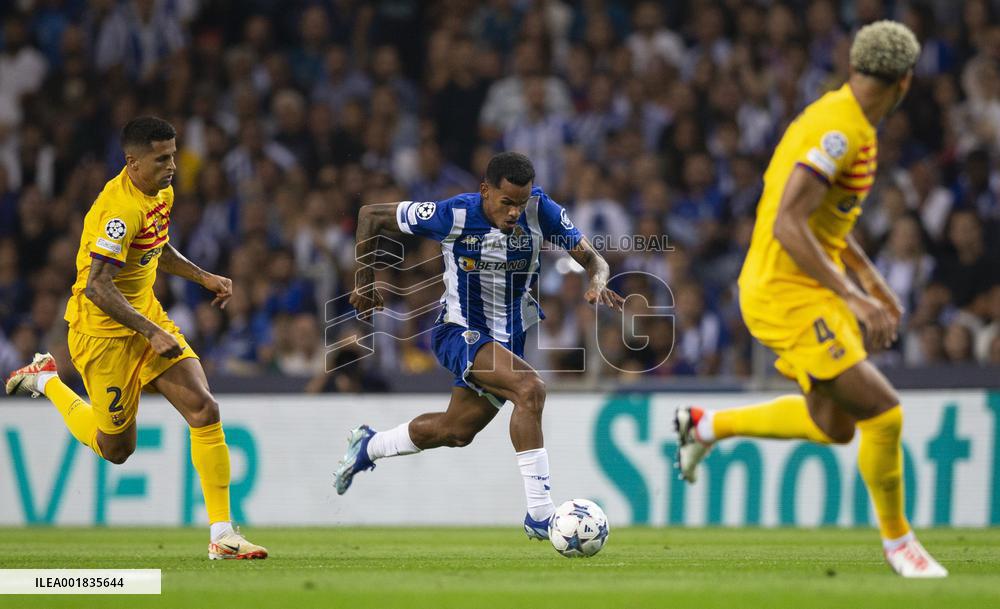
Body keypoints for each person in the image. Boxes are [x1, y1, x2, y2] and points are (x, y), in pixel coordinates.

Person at [674, 21, 947, 578]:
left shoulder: (842, 118)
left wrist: (871, 282)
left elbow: (825, 225)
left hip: (807, 289)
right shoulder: (841, 131)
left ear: (855, 66)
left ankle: (704, 425)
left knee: (835, 427)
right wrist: (855, 296)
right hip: (786, 294)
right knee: (884, 413)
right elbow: (788, 224)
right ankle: (901, 545)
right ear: (905, 82)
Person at [5, 117, 267, 560]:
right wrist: (150, 331)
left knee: (204, 408)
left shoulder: (161, 192)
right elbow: (97, 286)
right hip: (102, 334)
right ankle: (47, 379)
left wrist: (202, 276)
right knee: (116, 449)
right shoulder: (119, 210)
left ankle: (223, 535)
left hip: (144, 315)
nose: (172, 166)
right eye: (161, 159)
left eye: (173, 156)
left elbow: (156, 246)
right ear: (132, 162)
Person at [334, 152, 622, 539]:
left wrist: (598, 281)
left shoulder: (542, 211)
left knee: (456, 431)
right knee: (530, 389)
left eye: (521, 202)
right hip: (459, 331)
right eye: (507, 202)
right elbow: (371, 215)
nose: (515, 212)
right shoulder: (453, 214)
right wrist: (364, 281)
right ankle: (540, 514)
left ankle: (370, 446)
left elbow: (595, 260)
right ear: (485, 190)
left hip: (508, 340)